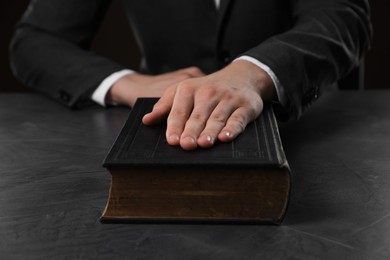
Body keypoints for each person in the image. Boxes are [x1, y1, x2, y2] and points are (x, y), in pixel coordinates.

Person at [10, 0, 372, 150]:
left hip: (314, 137)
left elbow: (342, 17)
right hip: (164, 130)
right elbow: (36, 39)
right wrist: (126, 83)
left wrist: (251, 73)